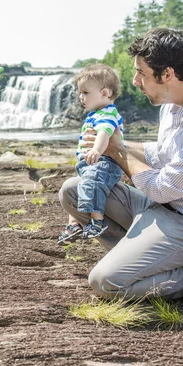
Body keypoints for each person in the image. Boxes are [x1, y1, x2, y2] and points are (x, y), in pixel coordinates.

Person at [59, 28, 183, 303]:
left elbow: (163, 189)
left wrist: (118, 152)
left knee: (106, 283)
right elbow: (162, 155)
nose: (135, 81)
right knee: (74, 191)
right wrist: (115, 143)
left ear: (167, 74)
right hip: (162, 208)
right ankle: (154, 261)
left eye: (141, 73)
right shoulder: (172, 101)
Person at [57, 64, 124, 246]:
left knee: (92, 185)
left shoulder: (108, 113)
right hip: (91, 162)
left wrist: (96, 150)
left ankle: (97, 221)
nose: (81, 97)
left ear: (104, 93)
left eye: (85, 92)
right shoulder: (96, 113)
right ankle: (74, 224)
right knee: (80, 188)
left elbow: (104, 133)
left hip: (104, 163)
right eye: (80, 93)